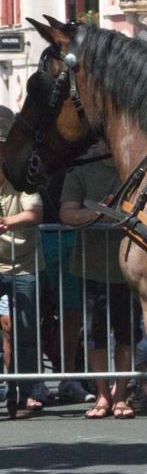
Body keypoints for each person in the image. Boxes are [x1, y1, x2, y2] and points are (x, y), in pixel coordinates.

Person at [60, 158, 142, 419]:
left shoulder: (133, 168)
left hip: (127, 268)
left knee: (126, 336)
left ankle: (121, 396)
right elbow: (67, 213)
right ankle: (103, 395)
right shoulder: (79, 173)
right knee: (95, 337)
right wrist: (99, 213)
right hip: (91, 269)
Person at [0, 130, 43, 419]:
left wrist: (6, 222)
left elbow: (36, 213)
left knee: (24, 333)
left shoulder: (22, 182)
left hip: (24, 266)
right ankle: (8, 392)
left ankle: (24, 393)